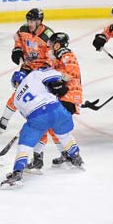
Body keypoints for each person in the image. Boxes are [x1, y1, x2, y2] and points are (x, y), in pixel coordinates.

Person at [0, 69, 84, 189]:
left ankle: (18, 173)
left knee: (25, 143)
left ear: (15, 83)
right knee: (64, 135)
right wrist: (60, 82)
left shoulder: (16, 99)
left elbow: (27, 115)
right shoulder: (34, 75)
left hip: (37, 116)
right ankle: (76, 157)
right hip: (56, 108)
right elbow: (57, 75)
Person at [0, 8, 58, 172]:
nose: (29, 24)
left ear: (39, 21)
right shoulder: (23, 30)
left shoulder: (48, 36)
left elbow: (53, 58)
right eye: (28, 20)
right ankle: (4, 120)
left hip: (41, 72)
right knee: (18, 94)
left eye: (32, 21)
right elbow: (17, 38)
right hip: (26, 68)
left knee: (39, 106)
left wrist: (48, 74)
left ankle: (40, 155)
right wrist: (17, 49)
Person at [47, 32, 83, 165]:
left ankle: (74, 155)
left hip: (69, 96)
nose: (50, 46)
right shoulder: (57, 57)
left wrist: (56, 79)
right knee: (54, 126)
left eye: (52, 44)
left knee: (59, 127)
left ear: (57, 44)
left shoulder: (66, 54)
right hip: (64, 96)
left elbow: (72, 74)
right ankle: (67, 153)